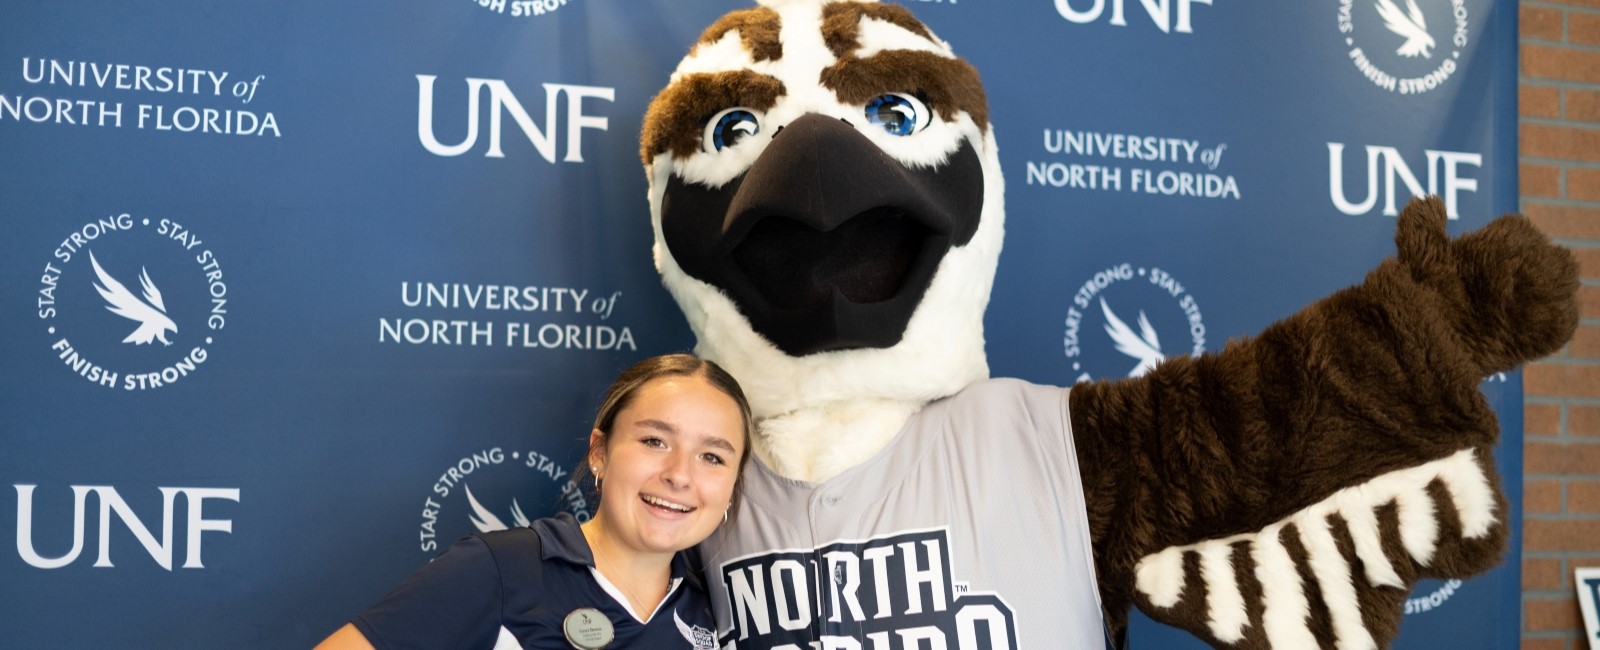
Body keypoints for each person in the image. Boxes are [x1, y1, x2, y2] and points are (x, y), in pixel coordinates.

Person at [315, 353, 753, 649]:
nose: (679, 474)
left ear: (733, 486)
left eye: (712, 457)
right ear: (599, 452)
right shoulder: (500, 569)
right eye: (655, 440)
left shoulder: (718, 611)